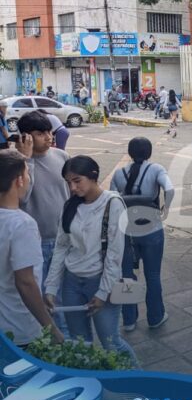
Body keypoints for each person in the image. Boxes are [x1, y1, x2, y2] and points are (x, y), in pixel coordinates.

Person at [44, 156, 138, 367]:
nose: (73, 187)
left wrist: (102, 293)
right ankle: (95, 385)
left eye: (77, 181)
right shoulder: (70, 206)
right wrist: (50, 287)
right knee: (80, 344)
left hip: (101, 280)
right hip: (72, 283)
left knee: (111, 343)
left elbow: (115, 254)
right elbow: (61, 247)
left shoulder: (113, 203)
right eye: (68, 182)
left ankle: (139, 381)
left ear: (93, 176)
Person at [0, 150, 65, 347]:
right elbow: (26, 282)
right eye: (28, 173)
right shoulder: (21, 224)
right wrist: (51, 328)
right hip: (19, 328)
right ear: (19, 181)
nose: (29, 179)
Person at [110, 137, 174, 331]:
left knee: (126, 274)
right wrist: (165, 210)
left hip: (126, 230)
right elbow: (169, 189)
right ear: (149, 152)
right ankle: (155, 317)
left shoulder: (119, 173)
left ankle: (129, 320)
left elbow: (112, 200)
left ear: (130, 153)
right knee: (152, 274)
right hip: (151, 227)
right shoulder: (156, 169)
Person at [17, 111, 70, 283]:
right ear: (26, 137)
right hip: (38, 241)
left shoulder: (62, 156)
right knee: (44, 296)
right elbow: (22, 197)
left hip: (66, 237)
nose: (48, 137)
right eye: (40, 134)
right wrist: (26, 160)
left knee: (64, 294)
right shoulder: (16, 164)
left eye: (49, 131)